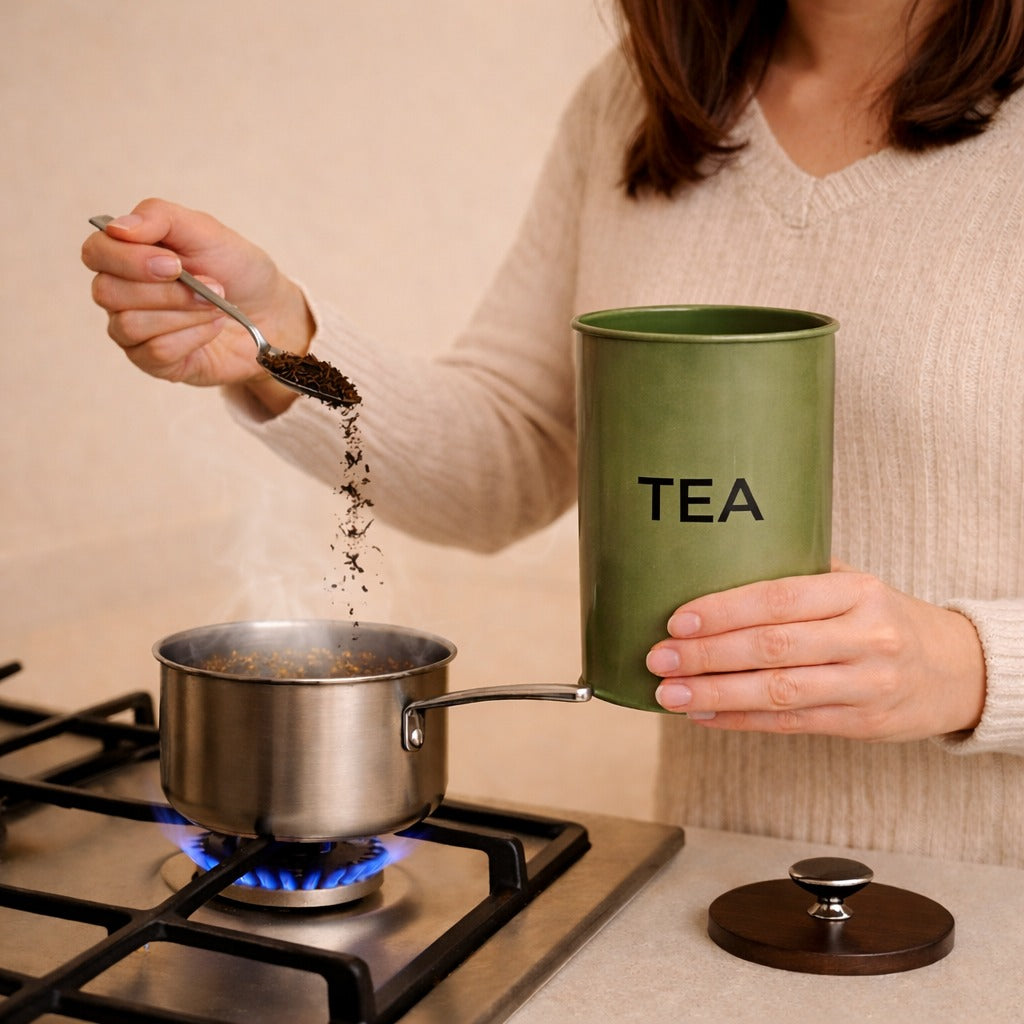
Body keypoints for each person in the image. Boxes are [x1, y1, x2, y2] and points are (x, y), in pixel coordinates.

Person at [83, 0, 1024, 866]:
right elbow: (515, 452)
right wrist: (277, 342)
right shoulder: (642, 101)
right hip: (719, 883)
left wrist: (967, 668)